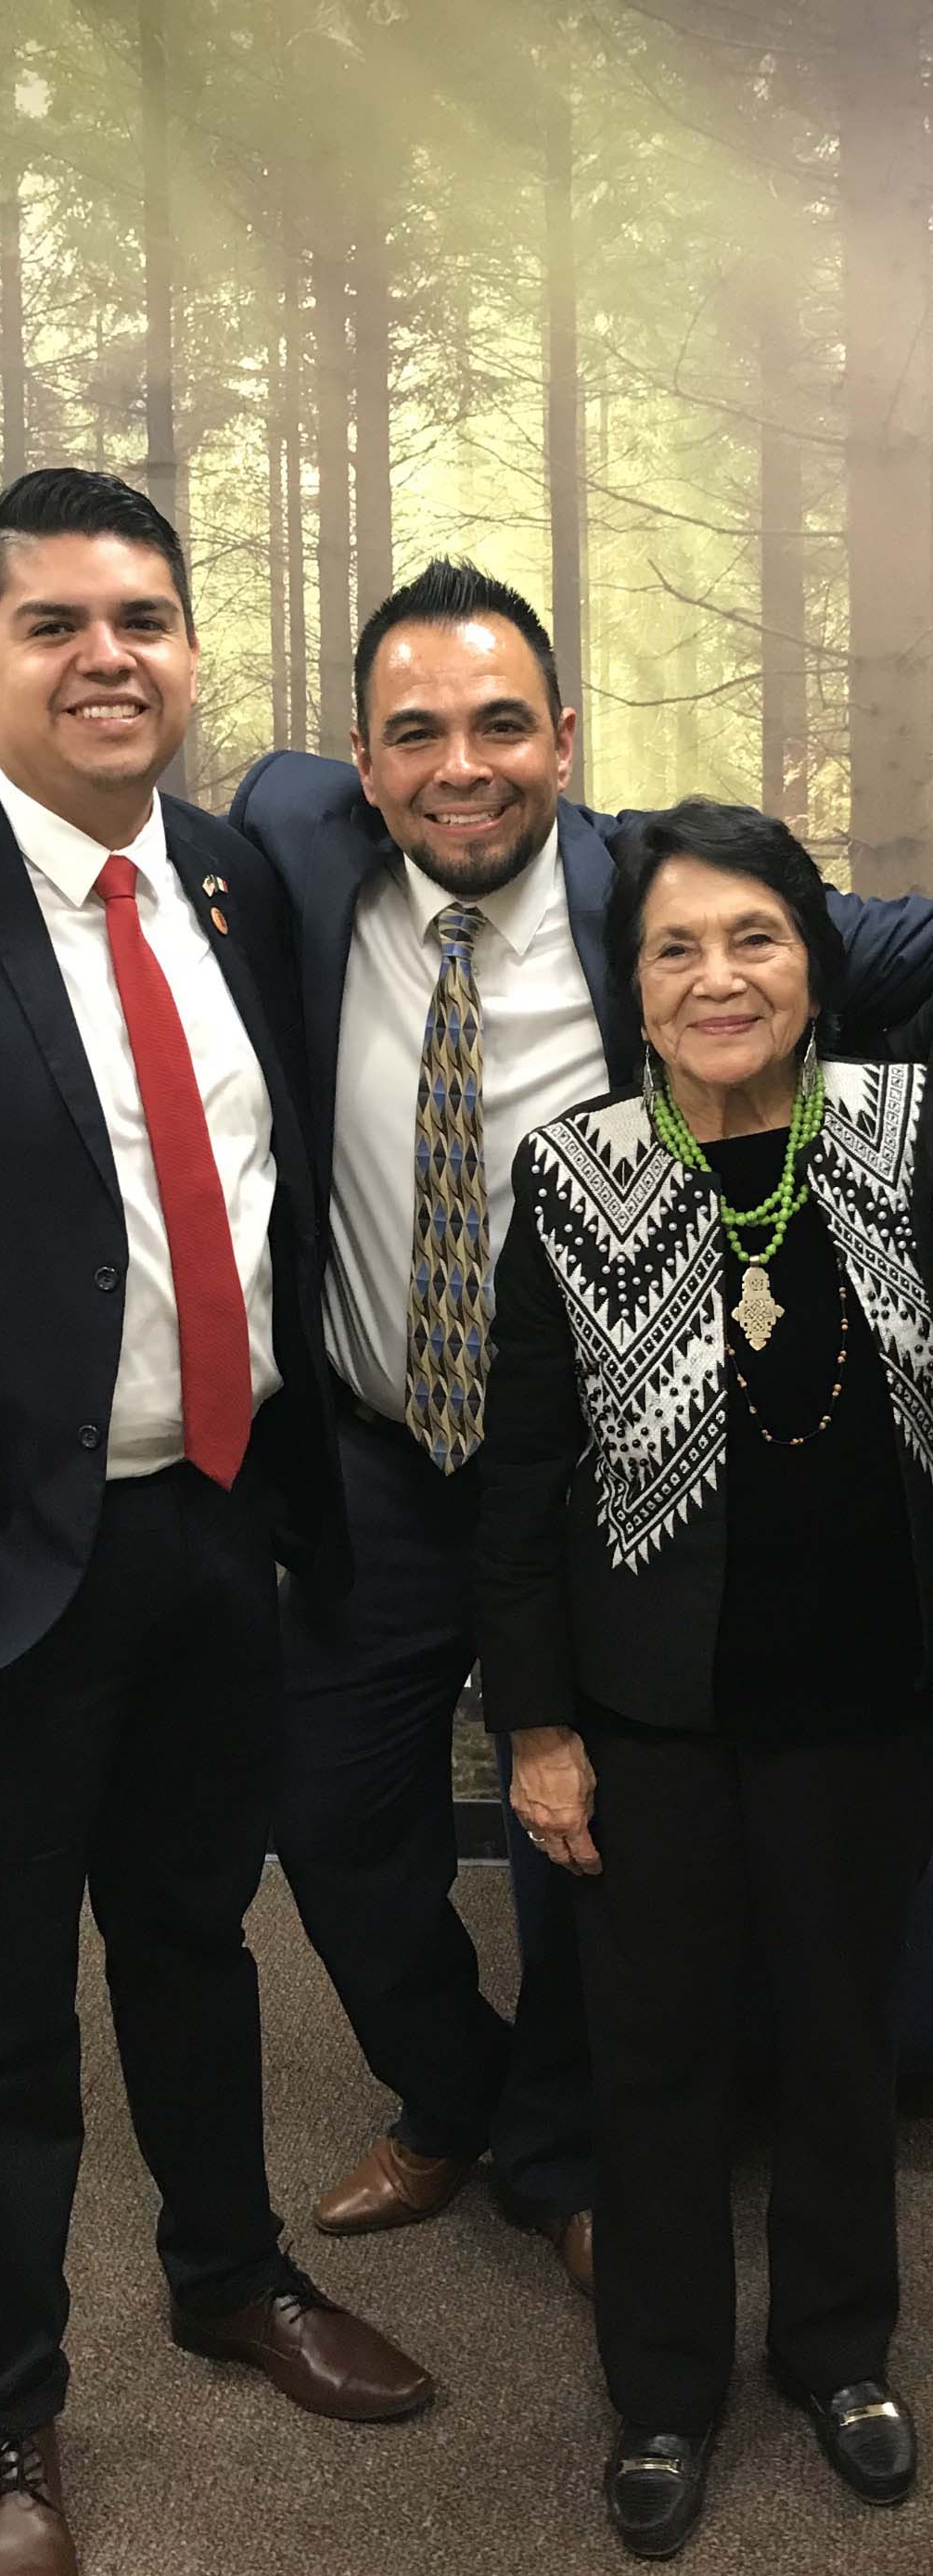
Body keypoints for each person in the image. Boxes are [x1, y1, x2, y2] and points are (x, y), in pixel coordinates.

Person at [0, 560, 933, 2289]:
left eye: (502, 725)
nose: (459, 766)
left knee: (584, 1848)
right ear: (355, 759)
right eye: (413, 733)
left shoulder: (656, 892)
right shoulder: (284, 843)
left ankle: (568, 2151)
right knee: (337, 1825)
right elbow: (80, 799)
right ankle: (458, 2089)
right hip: (369, 1464)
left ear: (567, 743)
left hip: (604, 1476)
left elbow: (886, 948)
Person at [0, 468, 432, 2576]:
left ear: (193, 649)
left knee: (196, 1944)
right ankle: (4, 2408)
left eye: (142, 616)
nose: (105, 654)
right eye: (51, 625)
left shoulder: (247, 871)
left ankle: (227, 2278)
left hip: (224, 1524)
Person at [476, 797, 933, 2557]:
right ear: (635, 986)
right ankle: (663, 2388)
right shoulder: (575, 1174)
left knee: (841, 2039)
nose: (718, 973)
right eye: (676, 945)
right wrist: (536, 1726)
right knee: (652, 2060)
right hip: (647, 1721)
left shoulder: (904, 1133)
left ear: (815, 967)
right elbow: (518, 1483)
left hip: (869, 1701)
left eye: (755, 936)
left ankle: (837, 2348)